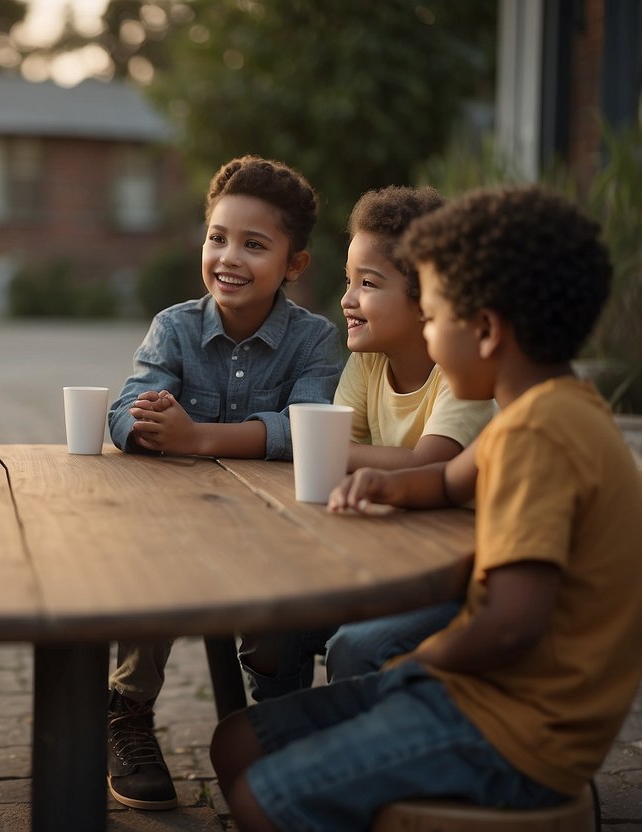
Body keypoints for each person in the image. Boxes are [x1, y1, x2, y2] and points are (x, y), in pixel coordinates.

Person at [210, 185, 642, 832]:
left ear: (487, 331)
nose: (430, 338)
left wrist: (414, 667)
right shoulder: (547, 406)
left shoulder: (541, 435)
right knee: (234, 742)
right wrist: (390, 487)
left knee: (263, 797)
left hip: (516, 730)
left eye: (434, 316)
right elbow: (445, 480)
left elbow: (510, 624)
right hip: (479, 692)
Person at [104, 155, 345, 811]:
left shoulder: (315, 341)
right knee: (150, 567)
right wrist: (145, 423)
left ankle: (276, 720)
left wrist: (198, 437)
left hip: (274, 526)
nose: (228, 258)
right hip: (178, 520)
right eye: (217, 237)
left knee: (278, 606)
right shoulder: (175, 328)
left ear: (294, 263)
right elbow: (126, 408)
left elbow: (309, 428)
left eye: (253, 244)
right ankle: (125, 712)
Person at [240, 186, 496, 698]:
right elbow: (341, 456)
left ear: (428, 299)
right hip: (381, 558)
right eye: (348, 281)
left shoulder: (462, 374)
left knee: (355, 647)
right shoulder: (368, 360)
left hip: (449, 576)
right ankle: (285, 738)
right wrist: (343, 455)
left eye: (369, 283)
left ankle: (349, 758)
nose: (347, 298)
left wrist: (326, 449)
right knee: (273, 616)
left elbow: (428, 464)